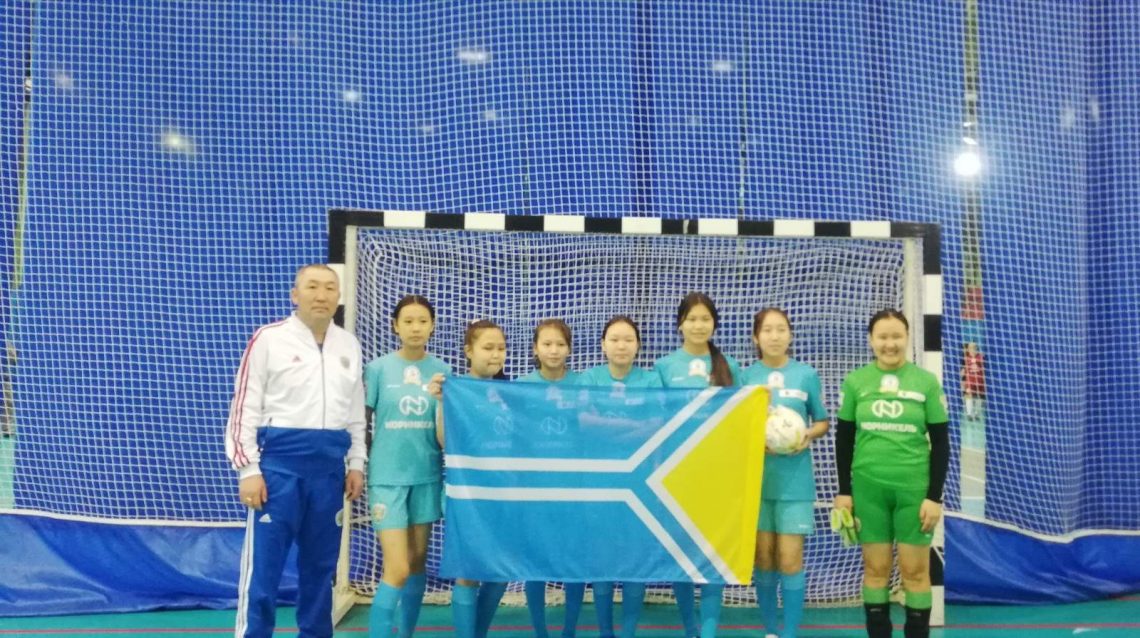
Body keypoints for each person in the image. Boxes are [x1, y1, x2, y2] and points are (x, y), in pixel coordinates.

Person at [225, 264, 366, 638]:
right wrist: (248, 469)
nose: (321, 295)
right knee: (264, 571)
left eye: (330, 288)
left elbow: (355, 410)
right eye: (312, 287)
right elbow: (244, 406)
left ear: (339, 297)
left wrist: (356, 461)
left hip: (329, 474)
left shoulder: (349, 345)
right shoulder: (268, 339)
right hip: (278, 473)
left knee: (320, 570)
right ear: (295, 294)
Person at [833, 310, 949, 638]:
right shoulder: (856, 382)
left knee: (915, 572)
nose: (890, 344)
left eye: (896, 336)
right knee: (875, 570)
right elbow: (844, 439)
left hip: (914, 491)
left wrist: (934, 497)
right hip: (869, 491)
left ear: (907, 338)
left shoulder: (926, 383)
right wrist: (844, 491)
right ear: (871, 340)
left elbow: (941, 442)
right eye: (882, 337)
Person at [653, 293, 742, 638]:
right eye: (692, 319)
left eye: (705, 319)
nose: (699, 325)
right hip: (676, 476)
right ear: (680, 324)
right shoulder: (664, 367)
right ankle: (690, 628)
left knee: (712, 555)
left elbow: (740, 420)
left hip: (718, 475)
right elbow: (657, 421)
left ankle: (708, 631)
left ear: (715, 324)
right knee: (683, 555)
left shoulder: (729, 366)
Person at [365, 295, 451, 638]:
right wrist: (355, 466)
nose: (416, 328)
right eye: (408, 321)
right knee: (397, 568)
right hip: (387, 480)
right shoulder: (378, 369)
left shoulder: (443, 371)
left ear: (432, 326)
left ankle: (405, 634)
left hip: (426, 477)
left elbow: (446, 432)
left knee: (416, 564)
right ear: (395, 326)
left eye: (423, 321)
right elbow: (362, 424)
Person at [742, 308, 829, 638]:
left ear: (790, 335)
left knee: (790, 560)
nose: (774, 336)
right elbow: (735, 425)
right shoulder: (746, 377)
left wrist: (806, 434)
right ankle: (770, 630)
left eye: (781, 329)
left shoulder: (806, 375)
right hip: (757, 482)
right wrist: (754, 439)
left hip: (796, 484)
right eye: (767, 330)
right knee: (763, 559)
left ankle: (789, 633)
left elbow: (822, 421)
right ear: (756, 337)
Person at [576, 315, 660, 638]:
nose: (621, 345)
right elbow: (585, 423)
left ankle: (628, 633)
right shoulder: (589, 378)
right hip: (599, 483)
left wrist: (609, 428)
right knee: (602, 560)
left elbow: (656, 427)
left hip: (639, 483)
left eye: (628, 339)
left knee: (635, 561)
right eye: (614, 339)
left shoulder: (650, 381)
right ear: (603, 345)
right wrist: (633, 427)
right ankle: (605, 633)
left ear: (638, 345)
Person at [429, 320, 510, 638]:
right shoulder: (455, 390)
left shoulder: (509, 393)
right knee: (468, 573)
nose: (496, 354)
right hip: (465, 495)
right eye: (488, 347)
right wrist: (441, 403)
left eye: (501, 348)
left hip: (501, 494)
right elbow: (444, 441)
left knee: (501, 571)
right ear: (469, 351)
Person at [516, 319, 585, 638]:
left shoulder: (584, 385)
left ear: (569, 348)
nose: (554, 350)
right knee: (535, 562)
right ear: (535, 348)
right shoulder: (521, 387)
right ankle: (540, 632)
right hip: (535, 489)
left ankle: (569, 630)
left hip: (574, 488)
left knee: (574, 561)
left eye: (560, 344)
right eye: (547, 344)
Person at [961, 341, 985, 420]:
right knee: (969, 397)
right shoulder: (965, 358)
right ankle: (969, 414)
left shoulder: (981, 357)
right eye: (970, 348)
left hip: (979, 382)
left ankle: (977, 414)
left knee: (979, 398)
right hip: (970, 382)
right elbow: (963, 370)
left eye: (974, 348)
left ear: (976, 348)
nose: (972, 349)